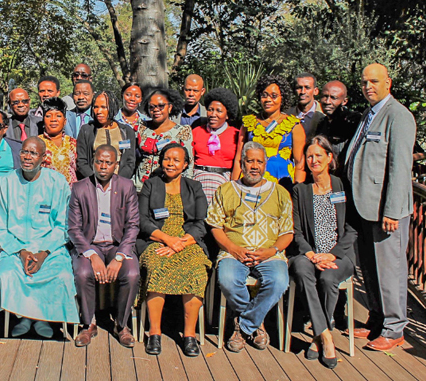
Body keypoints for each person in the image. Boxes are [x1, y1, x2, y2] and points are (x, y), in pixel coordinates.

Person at [345, 63, 416, 352]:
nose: (368, 87)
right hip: (364, 207)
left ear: (388, 82)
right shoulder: (369, 113)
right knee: (371, 268)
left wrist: (392, 210)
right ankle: (377, 318)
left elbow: (400, 168)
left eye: (374, 81)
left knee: (390, 268)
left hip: (385, 211)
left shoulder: (398, 116)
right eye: (364, 82)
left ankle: (394, 327)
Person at [0, 137, 79, 338]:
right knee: (7, 275)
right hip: (14, 247)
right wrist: (21, 251)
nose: (27, 157)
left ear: (43, 158)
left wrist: (43, 253)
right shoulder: (7, 182)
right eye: (25, 152)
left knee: (61, 275)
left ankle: (42, 318)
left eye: (33, 153)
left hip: (50, 248)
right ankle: (24, 317)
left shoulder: (57, 182)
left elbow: (63, 224)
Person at [207, 141, 293, 352]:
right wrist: (232, 248)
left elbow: (287, 232)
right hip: (233, 251)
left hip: (270, 253)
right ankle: (257, 324)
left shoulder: (280, 193)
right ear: (242, 163)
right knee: (227, 279)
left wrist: (270, 252)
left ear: (265, 164)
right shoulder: (226, 190)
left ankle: (243, 325)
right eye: (250, 161)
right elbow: (215, 226)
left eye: (259, 161)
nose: (254, 166)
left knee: (279, 281)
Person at [289, 135, 357, 368]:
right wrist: (311, 255)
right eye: (309, 156)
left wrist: (332, 253)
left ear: (330, 157)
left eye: (319, 155)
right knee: (300, 269)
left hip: (339, 254)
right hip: (308, 254)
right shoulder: (301, 190)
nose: (314, 160)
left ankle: (318, 336)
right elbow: (296, 232)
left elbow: (352, 228)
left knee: (328, 278)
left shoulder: (342, 186)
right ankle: (326, 336)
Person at [138, 143, 211, 357]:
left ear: (185, 164)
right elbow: (142, 220)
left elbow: (201, 222)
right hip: (157, 240)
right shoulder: (150, 185)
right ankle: (154, 333)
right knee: (156, 265)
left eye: (176, 160)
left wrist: (182, 242)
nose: (171, 163)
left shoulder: (194, 187)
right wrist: (168, 240)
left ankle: (189, 336)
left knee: (197, 270)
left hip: (187, 240)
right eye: (167, 158)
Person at [68, 146, 141, 348]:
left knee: (132, 274)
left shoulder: (126, 187)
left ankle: (121, 325)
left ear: (116, 165)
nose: (103, 166)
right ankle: (88, 324)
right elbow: (73, 228)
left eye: (108, 163)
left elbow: (133, 225)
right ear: (93, 161)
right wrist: (91, 255)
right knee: (82, 273)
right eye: (100, 161)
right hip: (91, 245)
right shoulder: (80, 188)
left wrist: (119, 258)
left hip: (119, 245)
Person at [234, 74, 306, 189]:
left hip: (282, 182)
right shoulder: (249, 123)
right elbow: (239, 158)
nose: (268, 100)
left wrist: (298, 191)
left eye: (274, 96)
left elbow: (300, 163)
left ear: (282, 97)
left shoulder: (293, 125)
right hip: (251, 181)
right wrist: (233, 187)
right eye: (264, 95)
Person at [135, 87, 194, 191]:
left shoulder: (182, 131)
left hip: (166, 187)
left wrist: (184, 189)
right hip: (139, 186)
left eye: (161, 106)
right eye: (152, 107)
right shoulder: (141, 127)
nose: (156, 110)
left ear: (170, 107)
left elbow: (188, 163)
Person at [191, 88, 241, 203]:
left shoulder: (236, 134)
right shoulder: (196, 132)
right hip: (198, 179)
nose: (213, 114)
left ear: (227, 115)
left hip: (224, 180)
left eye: (219, 111)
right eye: (210, 110)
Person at [76, 91, 138, 181]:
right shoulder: (87, 130)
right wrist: (96, 182)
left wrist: (118, 182)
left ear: (113, 107)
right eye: (96, 107)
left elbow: (130, 162)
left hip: (119, 184)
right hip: (93, 184)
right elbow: (82, 162)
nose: (99, 111)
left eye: (104, 107)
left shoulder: (127, 131)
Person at [316, 80, 362, 164]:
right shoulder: (322, 123)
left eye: (333, 98)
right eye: (324, 96)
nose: (327, 101)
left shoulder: (352, 122)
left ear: (344, 101)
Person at [38, 98, 78, 185]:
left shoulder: (74, 143)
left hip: (71, 195)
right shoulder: (37, 143)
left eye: (58, 116)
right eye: (48, 116)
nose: (53, 119)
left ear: (65, 121)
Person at [288, 73, 326, 140]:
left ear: (315, 91)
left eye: (307, 88)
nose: (303, 92)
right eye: (299, 88)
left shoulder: (324, 116)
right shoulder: (286, 115)